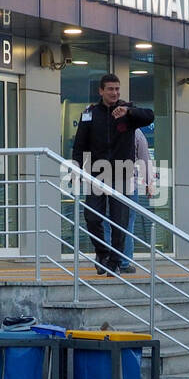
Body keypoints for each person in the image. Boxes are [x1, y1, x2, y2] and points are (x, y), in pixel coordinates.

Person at [70, 74, 154, 276]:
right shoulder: (90, 114)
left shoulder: (128, 112)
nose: (115, 93)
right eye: (110, 89)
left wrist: (129, 111)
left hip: (122, 174)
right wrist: (78, 170)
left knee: (120, 222)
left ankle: (115, 262)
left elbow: (149, 116)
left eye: (117, 89)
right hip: (96, 174)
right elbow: (79, 146)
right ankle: (103, 253)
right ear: (101, 91)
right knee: (92, 217)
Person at [116, 127, 154, 271]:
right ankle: (124, 262)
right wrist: (149, 183)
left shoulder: (106, 126)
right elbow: (144, 158)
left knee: (106, 221)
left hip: (105, 182)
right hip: (129, 185)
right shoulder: (136, 132)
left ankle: (107, 259)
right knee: (127, 223)